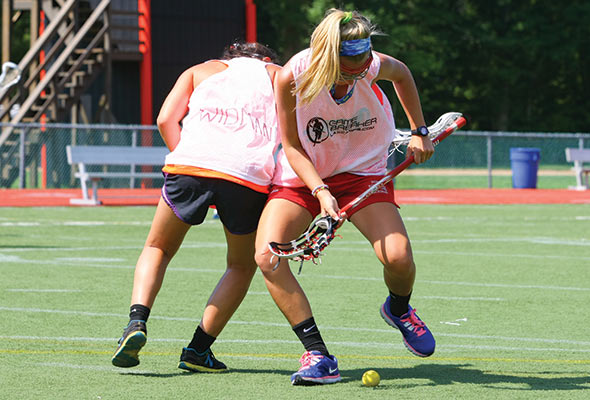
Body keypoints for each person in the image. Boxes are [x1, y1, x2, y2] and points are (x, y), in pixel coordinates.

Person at [254, 9, 436, 385]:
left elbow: (401, 73)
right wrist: (320, 191)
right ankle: (318, 354)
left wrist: (419, 131)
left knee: (398, 258)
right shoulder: (293, 77)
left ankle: (399, 309)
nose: (360, 71)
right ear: (326, 55)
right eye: (349, 66)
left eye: (364, 62)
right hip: (305, 176)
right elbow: (291, 146)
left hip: (363, 172)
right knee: (268, 256)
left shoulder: (369, 64)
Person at [111, 41, 280, 372]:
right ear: (266, 59)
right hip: (246, 175)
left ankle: (136, 322)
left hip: (190, 166)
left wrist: (186, 156)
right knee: (241, 266)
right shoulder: (278, 74)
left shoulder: (201, 69)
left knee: (158, 247)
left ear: (228, 56)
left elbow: (165, 120)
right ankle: (198, 350)